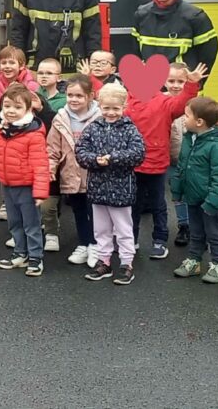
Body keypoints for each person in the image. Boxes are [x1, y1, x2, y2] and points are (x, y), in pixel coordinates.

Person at [125, 63, 206, 261]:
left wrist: (191, 85)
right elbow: (106, 101)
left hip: (156, 162)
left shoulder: (163, 102)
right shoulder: (127, 103)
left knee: (158, 204)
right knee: (132, 205)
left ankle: (159, 241)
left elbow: (181, 105)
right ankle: (131, 240)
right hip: (132, 163)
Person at [76, 84, 147, 286]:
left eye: (115, 108)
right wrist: (94, 160)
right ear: (100, 105)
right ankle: (104, 261)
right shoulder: (93, 128)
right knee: (101, 229)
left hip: (121, 188)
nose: (111, 112)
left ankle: (126, 264)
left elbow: (138, 153)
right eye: (106, 108)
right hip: (97, 188)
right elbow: (81, 151)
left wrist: (113, 158)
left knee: (124, 229)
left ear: (124, 106)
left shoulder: (129, 129)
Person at [0, 84, 50, 277]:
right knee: (15, 222)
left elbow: (40, 164)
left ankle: (35, 257)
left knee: (31, 224)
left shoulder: (33, 134)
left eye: (17, 107)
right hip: (7, 185)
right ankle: (20, 253)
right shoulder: (2, 129)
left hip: (26, 187)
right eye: (7, 106)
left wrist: (40, 191)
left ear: (28, 109)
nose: (11, 111)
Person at [171, 97, 218, 285]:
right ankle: (194, 260)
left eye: (187, 115)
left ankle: (217, 264)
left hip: (210, 200)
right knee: (196, 231)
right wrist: (177, 190)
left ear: (199, 122)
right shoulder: (189, 138)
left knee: (214, 233)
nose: (184, 119)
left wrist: (213, 202)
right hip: (192, 196)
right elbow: (182, 166)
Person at [46, 75, 99, 265]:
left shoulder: (100, 118)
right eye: (70, 95)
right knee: (78, 210)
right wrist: (51, 168)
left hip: (94, 175)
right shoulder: (60, 118)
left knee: (95, 212)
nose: (74, 99)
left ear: (90, 96)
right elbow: (52, 148)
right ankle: (84, 243)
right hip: (70, 174)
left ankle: (96, 245)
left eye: (79, 96)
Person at [130, 0, 218, 76]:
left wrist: (195, 83)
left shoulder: (195, 17)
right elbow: (135, 52)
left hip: (181, 87)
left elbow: (208, 55)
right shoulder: (141, 14)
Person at [166, 63, 193, 246]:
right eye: (171, 81)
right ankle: (184, 225)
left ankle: (197, 225)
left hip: (192, 160)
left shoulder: (194, 103)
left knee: (193, 192)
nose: (176, 85)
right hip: (170, 158)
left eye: (181, 81)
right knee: (177, 193)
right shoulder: (160, 100)